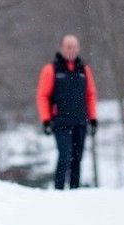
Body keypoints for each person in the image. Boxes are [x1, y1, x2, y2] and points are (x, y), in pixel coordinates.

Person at [36, 34, 98, 190]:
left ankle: (74, 190)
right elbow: (42, 96)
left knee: (77, 158)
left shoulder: (84, 70)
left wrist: (93, 118)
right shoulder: (51, 70)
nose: (71, 50)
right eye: (68, 47)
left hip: (80, 121)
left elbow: (90, 94)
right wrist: (46, 120)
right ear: (62, 48)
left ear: (78, 48)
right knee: (65, 155)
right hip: (60, 122)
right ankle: (58, 190)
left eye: (74, 47)